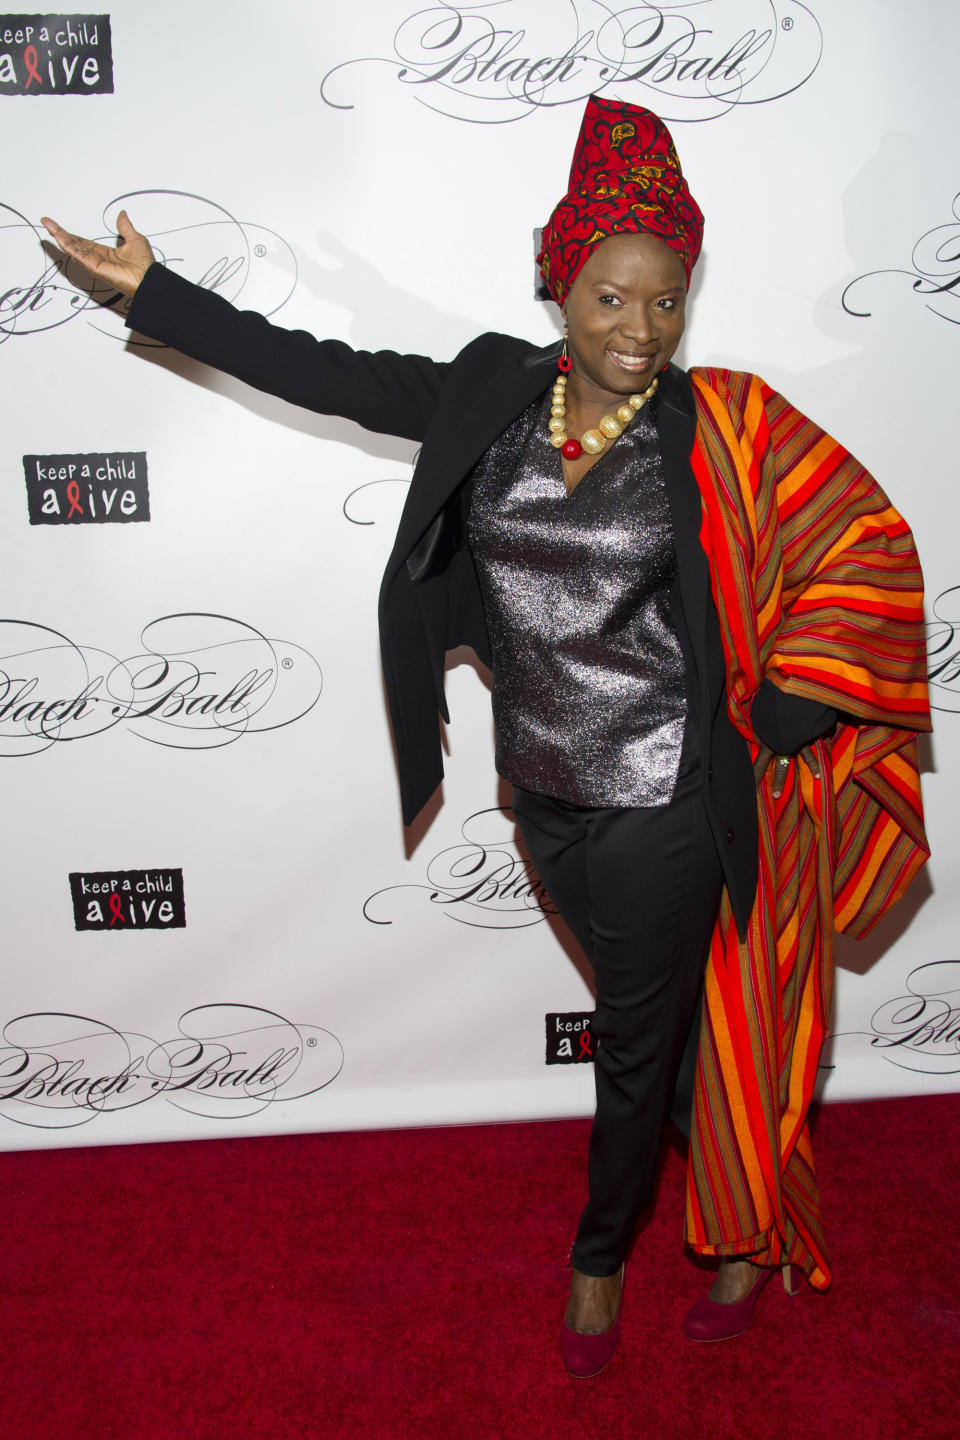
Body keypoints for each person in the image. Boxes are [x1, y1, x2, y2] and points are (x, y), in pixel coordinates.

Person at [42, 95, 930, 1378]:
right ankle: (742, 1222)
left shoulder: (721, 424)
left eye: (667, 301)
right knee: (667, 1028)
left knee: (630, 1046)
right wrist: (160, 297)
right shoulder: (489, 397)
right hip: (544, 798)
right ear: (557, 281)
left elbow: (863, 536)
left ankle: (599, 1260)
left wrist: (805, 682)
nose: (642, 330)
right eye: (613, 298)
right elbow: (321, 369)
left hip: (670, 802)